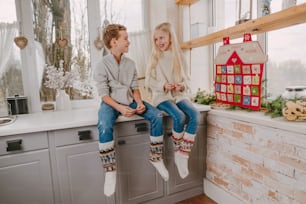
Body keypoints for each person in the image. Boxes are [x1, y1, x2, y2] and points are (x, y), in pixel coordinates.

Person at [93, 24, 169, 197]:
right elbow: (104, 95)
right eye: (125, 38)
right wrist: (120, 108)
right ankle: (109, 171)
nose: (129, 42)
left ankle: (156, 157)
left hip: (130, 100)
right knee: (104, 125)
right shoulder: (101, 65)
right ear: (114, 42)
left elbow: (135, 87)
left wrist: (139, 103)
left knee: (157, 115)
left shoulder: (131, 63)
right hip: (111, 104)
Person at [145, 22, 200, 179]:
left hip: (178, 95)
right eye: (155, 39)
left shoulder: (179, 56)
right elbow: (148, 81)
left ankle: (183, 154)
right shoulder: (154, 57)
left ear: (170, 37)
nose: (158, 42)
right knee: (179, 116)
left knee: (195, 115)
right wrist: (163, 85)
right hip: (162, 97)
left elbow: (188, 80)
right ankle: (178, 152)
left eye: (161, 37)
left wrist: (182, 86)